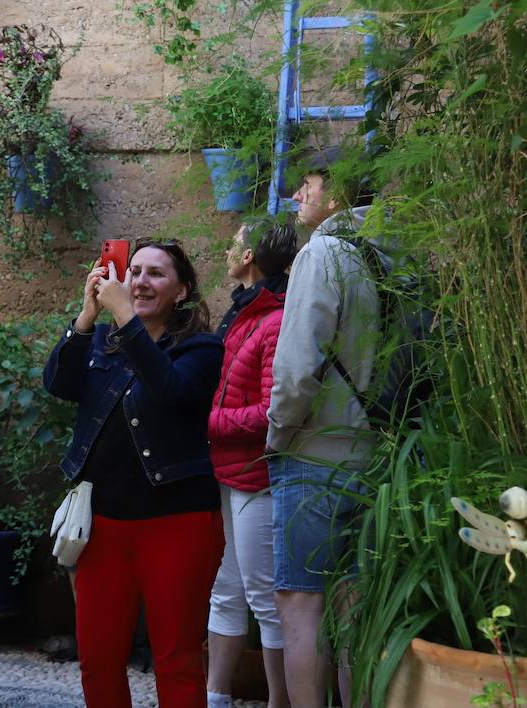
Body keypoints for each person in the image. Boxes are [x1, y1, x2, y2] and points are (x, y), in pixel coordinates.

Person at [44, 239, 224, 708]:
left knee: (176, 659)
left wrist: (124, 315)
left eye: (155, 274)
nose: (140, 282)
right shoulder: (103, 340)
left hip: (177, 524)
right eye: (135, 270)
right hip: (103, 525)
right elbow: (59, 384)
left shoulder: (202, 349)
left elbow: (171, 391)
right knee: (98, 658)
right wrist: (86, 316)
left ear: (181, 290)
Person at [266, 147, 380, 708]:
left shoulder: (324, 254)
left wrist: (278, 433)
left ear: (335, 196)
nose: (296, 197)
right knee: (353, 603)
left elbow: (296, 365)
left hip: (315, 453)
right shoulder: (390, 256)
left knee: (301, 602)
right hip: (378, 454)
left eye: (305, 187)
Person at [207, 219, 298, 708]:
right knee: (225, 591)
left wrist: (211, 422)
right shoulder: (242, 313)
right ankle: (216, 697)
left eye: (235, 243)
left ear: (250, 258)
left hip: (256, 478)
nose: (228, 248)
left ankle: (279, 702)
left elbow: (271, 412)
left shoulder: (275, 319)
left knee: (265, 600)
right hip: (227, 473)